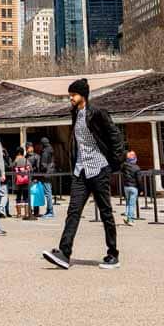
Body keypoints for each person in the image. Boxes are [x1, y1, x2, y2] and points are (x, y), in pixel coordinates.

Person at [41, 78, 126, 270]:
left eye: (73, 95)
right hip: (81, 170)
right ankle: (64, 253)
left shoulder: (97, 114)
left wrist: (114, 163)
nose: (70, 98)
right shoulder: (74, 114)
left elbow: (115, 137)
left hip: (99, 168)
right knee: (73, 211)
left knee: (105, 212)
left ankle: (113, 254)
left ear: (83, 96)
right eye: (70, 95)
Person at [12, 148, 35, 220]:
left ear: (18, 153)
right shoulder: (26, 160)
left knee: (18, 196)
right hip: (26, 180)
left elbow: (11, 167)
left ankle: (19, 214)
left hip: (18, 181)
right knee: (26, 197)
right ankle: (26, 213)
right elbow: (31, 169)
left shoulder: (16, 160)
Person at [38, 137, 59, 216]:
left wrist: (40, 170)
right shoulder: (51, 149)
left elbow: (43, 165)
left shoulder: (45, 152)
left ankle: (50, 211)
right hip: (51, 172)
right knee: (49, 192)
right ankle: (49, 210)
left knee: (48, 193)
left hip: (46, 174)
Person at [122, 150, 141, 224]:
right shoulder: (137, 168)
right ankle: (130, 219)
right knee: (132, 204)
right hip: (133, 187)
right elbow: (139, 180)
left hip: (126, 187)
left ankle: (127, 215)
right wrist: (141, 189)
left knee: (128, 202)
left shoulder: (124, 166)